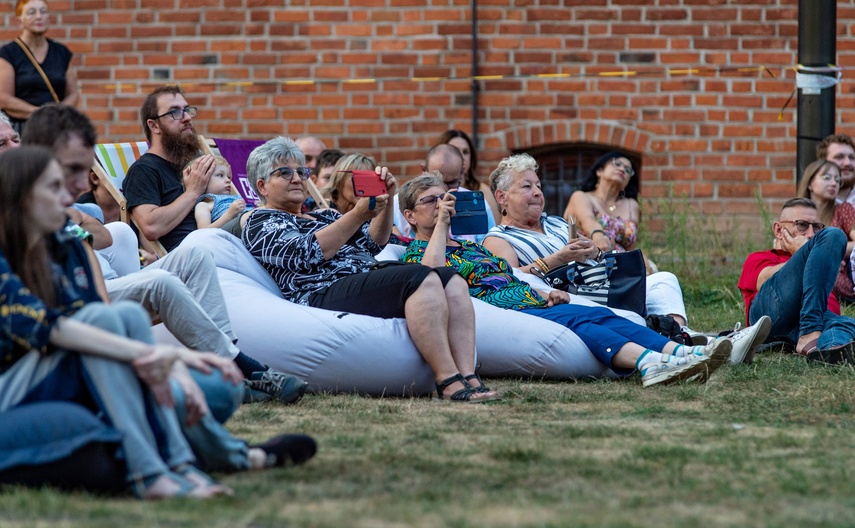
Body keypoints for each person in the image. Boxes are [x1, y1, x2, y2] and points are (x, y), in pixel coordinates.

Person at [0, 146, 316, 499]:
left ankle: (184, 463)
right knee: (109, 327)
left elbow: (97, 317)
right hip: (18, 389)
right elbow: (56, 328)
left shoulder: (67, 245)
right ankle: (157, 471)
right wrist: (170, 359)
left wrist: (171, 365)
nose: (70, 197)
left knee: (189, 367)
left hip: (78, 373)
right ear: (21, 196)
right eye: (54, 187)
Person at [24, 104, 306, 405]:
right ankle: (245, 369)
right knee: (161, 280)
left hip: (114, 282)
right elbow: (148, 228)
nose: (83, 183)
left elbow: (102, 235)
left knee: (196, 253)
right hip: (85, 299)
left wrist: (76, 224)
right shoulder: (22, 203)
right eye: (75, 170)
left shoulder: (61, 203)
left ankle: (226, 360)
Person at [399, 173, 732, 387]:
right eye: (430, 200)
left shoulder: (470, 246)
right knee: (580, 320)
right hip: (499, 312)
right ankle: (652, 363)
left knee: (597, 315)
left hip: (527, 300)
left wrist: (543, 294)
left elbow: (509, 276)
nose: (441, 204)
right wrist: (442, 226)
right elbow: (431, 274)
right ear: (410, 215)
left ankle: (680, 354)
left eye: (444, 198)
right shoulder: (413, 251)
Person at [242, 137, 499, 403]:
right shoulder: (261, 220)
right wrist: (358, 214)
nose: (297, 178)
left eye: (301, 171)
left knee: (451, 279)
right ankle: (447, 381)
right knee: (419, 276)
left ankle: (469, 376)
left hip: (361, 277)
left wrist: (383, 204)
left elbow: (373, 242)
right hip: (320, 291)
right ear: (262, 186)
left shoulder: (324, 215)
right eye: (285, 173)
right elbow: (306, 253)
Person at [485, 153, 770, 364]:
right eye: (526, 187)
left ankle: (682, 333)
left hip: (598, 285)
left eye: (538, 185)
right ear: (501, 197)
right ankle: (707, 344)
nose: (537, 192)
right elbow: (512, 279)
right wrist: (558, 258)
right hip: (567, 299)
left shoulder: (558, 222)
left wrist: (592, 251)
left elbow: (595, 252)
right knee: (631, 315)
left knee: (663, 280)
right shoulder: (498, 238)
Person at [738, 197, 855, 364]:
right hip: (769, 318)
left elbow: (831, 311)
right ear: (779, 230)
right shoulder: (759, 258)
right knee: (834, 235)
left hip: (809, 323)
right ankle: (811, 330)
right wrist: (804, 253)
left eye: (816, 227)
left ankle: (830, 351)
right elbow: (766, 279)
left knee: (846, 323)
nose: (810, 233)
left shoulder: (821, 268)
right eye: (801, 225)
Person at [123, 85, 206, 252]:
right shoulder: (144, 170)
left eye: (187, 110)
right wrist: (193, 192)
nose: (187, 117)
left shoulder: (196, 163)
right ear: (154, 126)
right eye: (175, 112)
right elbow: (150, 226)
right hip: (188, 257)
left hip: (220, 245)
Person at [0, 0, 79, 133]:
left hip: (56, 129)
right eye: (32, 12)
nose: (39, 16)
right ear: (20, 20)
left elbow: (73, 94)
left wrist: (58, 114)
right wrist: (41, 113)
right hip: (23, 130)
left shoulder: (61, 52)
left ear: (49, 18)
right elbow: (4, 99)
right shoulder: (8, 54)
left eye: (43, 11)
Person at [392, 143, 496, 243]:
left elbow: (489, 247)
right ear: (424, 170)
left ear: (462, 172)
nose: (445, 192)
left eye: (451, 182)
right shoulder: (398, 203)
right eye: (430, 200)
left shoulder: (476, 203)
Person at [796, 159, 855, 303]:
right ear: (810, 183)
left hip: (835, 277)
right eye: (827, 178)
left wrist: (831, 252)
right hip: (800, 269)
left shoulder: (843, 210)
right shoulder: (795, 212)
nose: (834, 183)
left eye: (837, 179)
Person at [437, 129, 501, 224]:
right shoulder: (433, 190)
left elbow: (495, 228)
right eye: (455, 151)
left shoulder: (482, 191)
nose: (462, 157)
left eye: (465, 152)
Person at [192, 155, 252, 229]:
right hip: (234, 229)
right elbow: (203, 231)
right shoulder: (203, 205)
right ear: (203, 180)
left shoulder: (234, 197)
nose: (228, 180)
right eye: (220, 175)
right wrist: (229, 214)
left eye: (228, 177)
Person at [817, 133, 855, 205]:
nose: (847, 163)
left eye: (851, 157)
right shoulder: (812, 205)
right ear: (823, 163)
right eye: (839, 157)